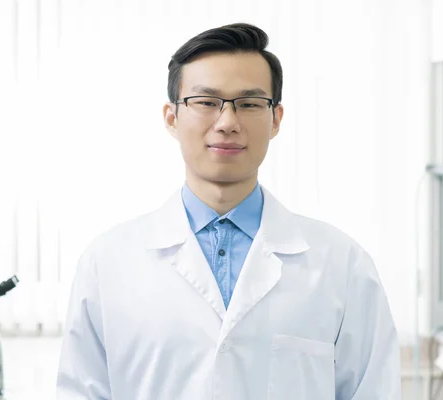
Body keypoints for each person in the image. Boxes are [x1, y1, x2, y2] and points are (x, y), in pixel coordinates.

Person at [56, 23, 401, 400]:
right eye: (206, 102)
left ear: (276, 120)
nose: (227, 123)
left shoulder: (342, 264)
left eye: (249, 104)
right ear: (171, 117)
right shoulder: (107, 262)